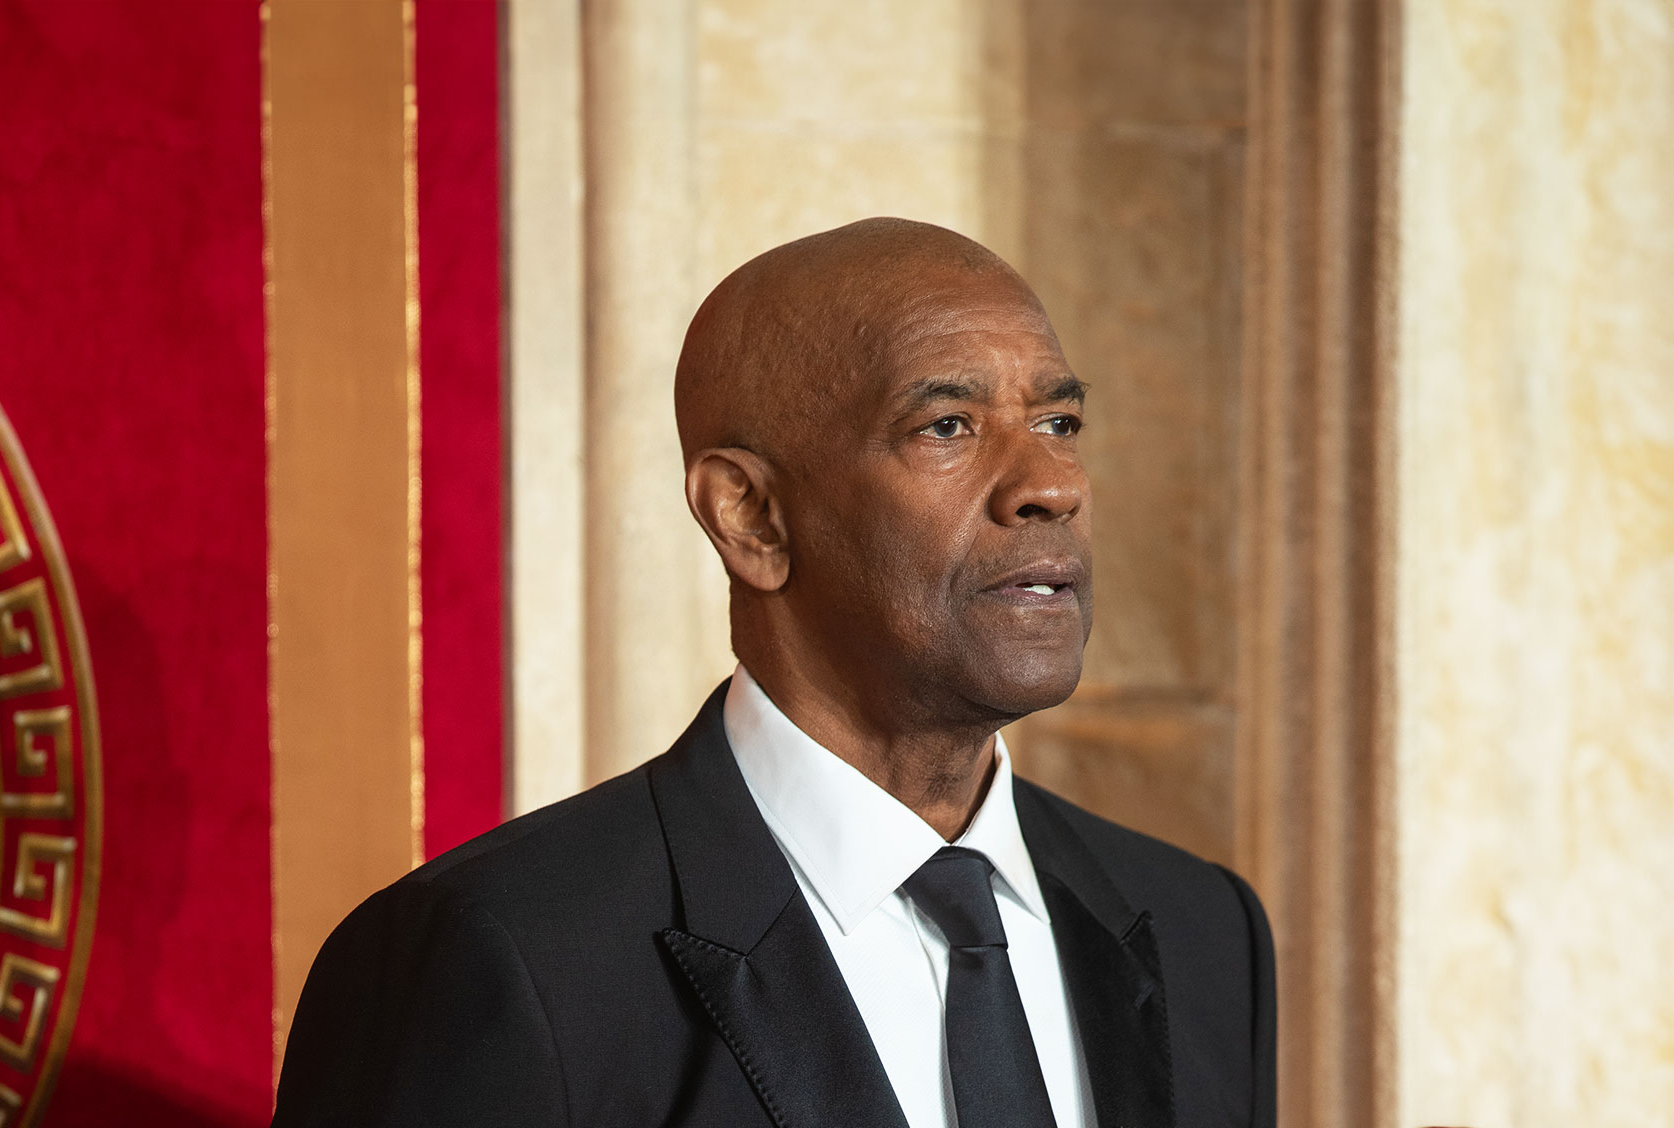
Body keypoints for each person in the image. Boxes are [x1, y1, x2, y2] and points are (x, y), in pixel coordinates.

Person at [272, 218, 1275, 1128]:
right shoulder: (506, 959)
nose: (1051, 485)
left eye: (1059, 423)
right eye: (948, 428)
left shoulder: (1202, 931)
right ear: (750, 516)